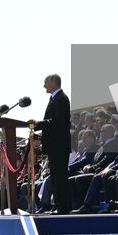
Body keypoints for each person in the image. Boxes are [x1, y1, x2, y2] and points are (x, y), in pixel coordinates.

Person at [33, 73, 73, 213]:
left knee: (60, 177)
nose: (44, 85)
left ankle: (63, 207)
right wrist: (37, 125)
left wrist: (39, 124)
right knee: (55, 177)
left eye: (46, 82)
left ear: (54, 82)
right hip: (54, 145)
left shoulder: (61, 99)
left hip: (59, 145)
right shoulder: (54, 98)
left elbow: (57, 121)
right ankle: (59, 205)